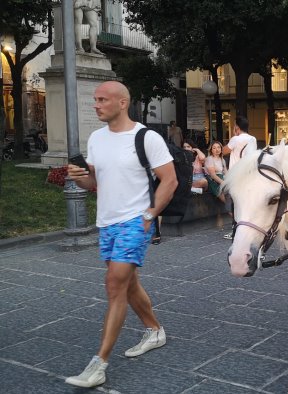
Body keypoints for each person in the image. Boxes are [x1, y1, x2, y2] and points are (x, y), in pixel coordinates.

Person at [64, 81, 175, 388]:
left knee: (114, 284)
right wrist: (80, 177)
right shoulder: (97, 139)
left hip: (134, 221)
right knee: (126, 284)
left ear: (122, 102)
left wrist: (150, 215)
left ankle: (98, 364)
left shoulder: (146, 137)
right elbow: (93, 184)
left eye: (102, 99)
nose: (96, 104)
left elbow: (170, 180)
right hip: (107, 223)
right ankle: (155, 330)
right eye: (95, 99)